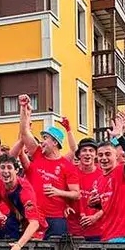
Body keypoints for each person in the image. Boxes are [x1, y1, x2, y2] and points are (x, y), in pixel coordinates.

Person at [17, 94, 80, 238]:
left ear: (55, 143)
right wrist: (23, 109)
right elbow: (25, 133)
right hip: (35, 218)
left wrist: (58, 192)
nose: (42, 142)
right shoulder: (38, 154)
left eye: (46, 138)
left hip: (57, 219)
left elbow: (76, 194)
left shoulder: (67, 165)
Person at [85, 115, 125, 242]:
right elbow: (107, 205)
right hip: (106, 234)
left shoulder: (120, 171)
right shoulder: (99, 180)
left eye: (108, 154)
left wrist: (120, 137)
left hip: (123, 235)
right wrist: (93, 204)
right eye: (100, 155)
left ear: (116, 156)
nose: (104, 158)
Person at [0, 154, 46, 250]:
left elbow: (34, 223)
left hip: (34, 223)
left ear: (16, 170)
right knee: (5, 240)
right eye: (2, 167)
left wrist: (19, 245)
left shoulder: (25, 190)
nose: (6, 171)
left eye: (9, 168)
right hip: (15, 218)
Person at [69, 138, 102, 241]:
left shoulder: (103, 175)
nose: (88, 154)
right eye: (84, 150)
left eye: (91, 151)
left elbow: (110, 202)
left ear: (96, 155)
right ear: (78, 155)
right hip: (73, 230)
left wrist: (95, 217)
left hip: (97, 230)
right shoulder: (70, 172)